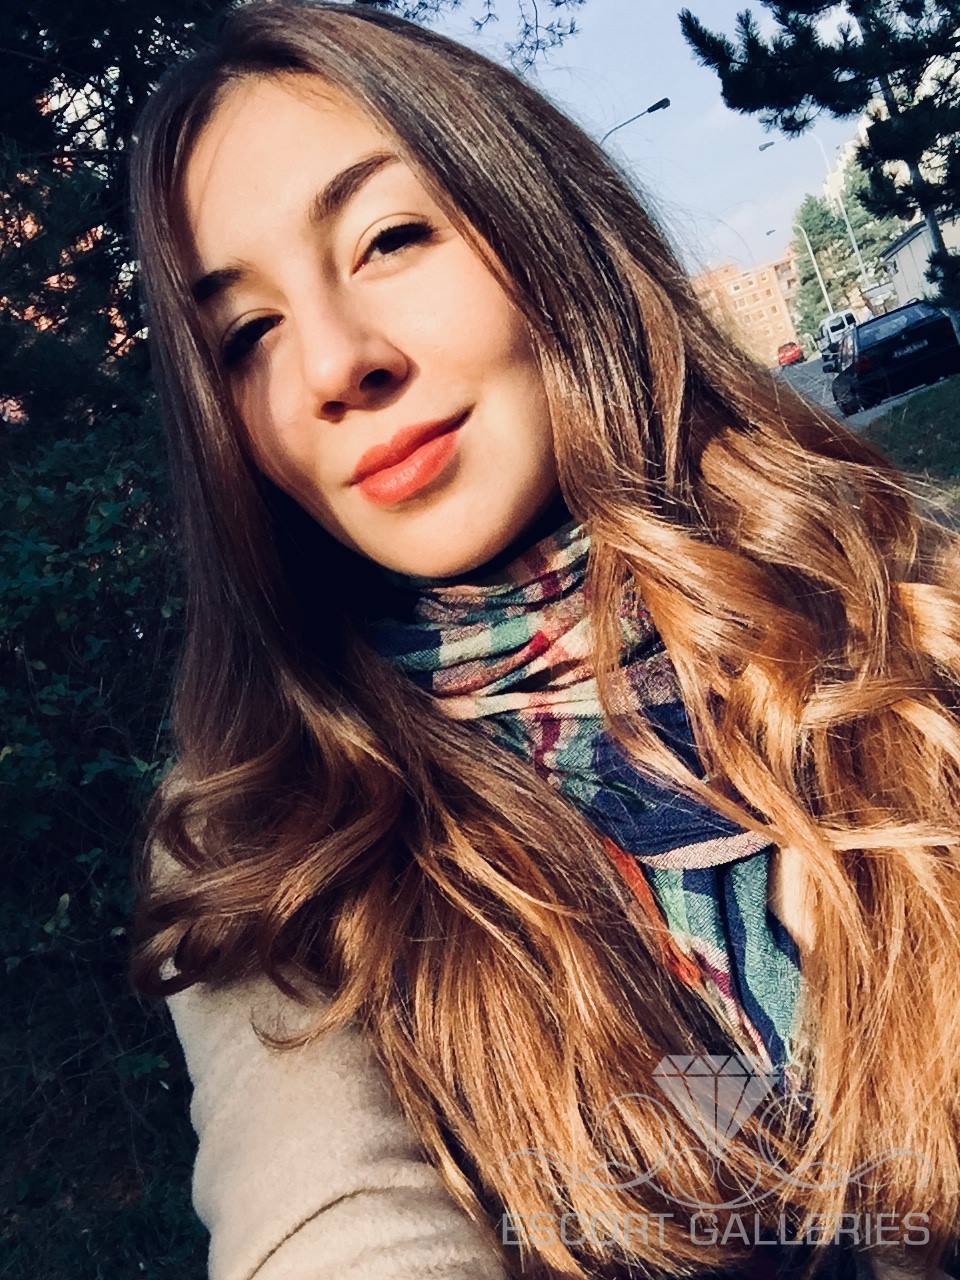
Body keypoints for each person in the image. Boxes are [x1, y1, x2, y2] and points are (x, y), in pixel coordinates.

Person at [126, 2, 960, 1278]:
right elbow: (335, 1219)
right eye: (246, 334)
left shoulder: (902, 610)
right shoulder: (264, 830)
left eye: (390, 238)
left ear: (544, 233)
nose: (336, 365)